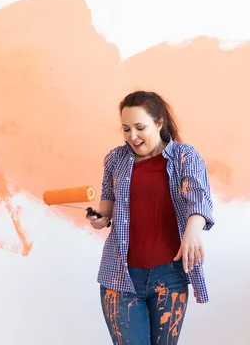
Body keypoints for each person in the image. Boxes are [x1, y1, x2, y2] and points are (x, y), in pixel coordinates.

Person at [87, 90, 215, 344]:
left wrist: (192, 231)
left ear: (158, 123)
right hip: (120, 276)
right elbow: (107, 205)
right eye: (125, 129)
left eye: (139, 127)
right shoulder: (115, 159)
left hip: (169, 276)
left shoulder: (183, 156)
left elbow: (199, 198)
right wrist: (101, 216)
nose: (131, 136)